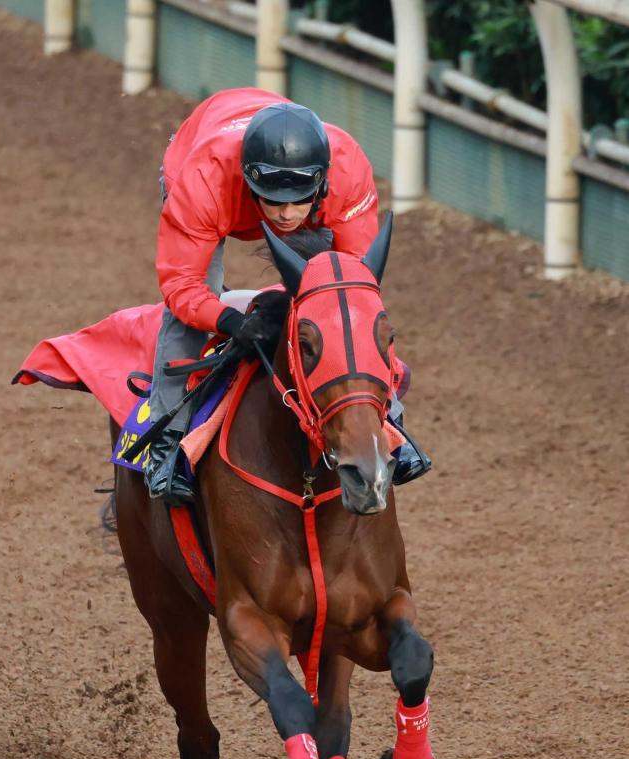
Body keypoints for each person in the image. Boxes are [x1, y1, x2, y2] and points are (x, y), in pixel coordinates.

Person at [147, 87, 429, 503]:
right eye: (273, 200)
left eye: (299, 200)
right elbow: (180, 285)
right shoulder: (203, 180)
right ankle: (167, 447)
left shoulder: (348, 169)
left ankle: (391, 428)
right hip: (198, 161)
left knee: (348, 314)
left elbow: (354, 287)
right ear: (248, 179)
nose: (285, 214)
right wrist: (233, 321)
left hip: (284, 167)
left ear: (321, 179)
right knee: (187, 317)